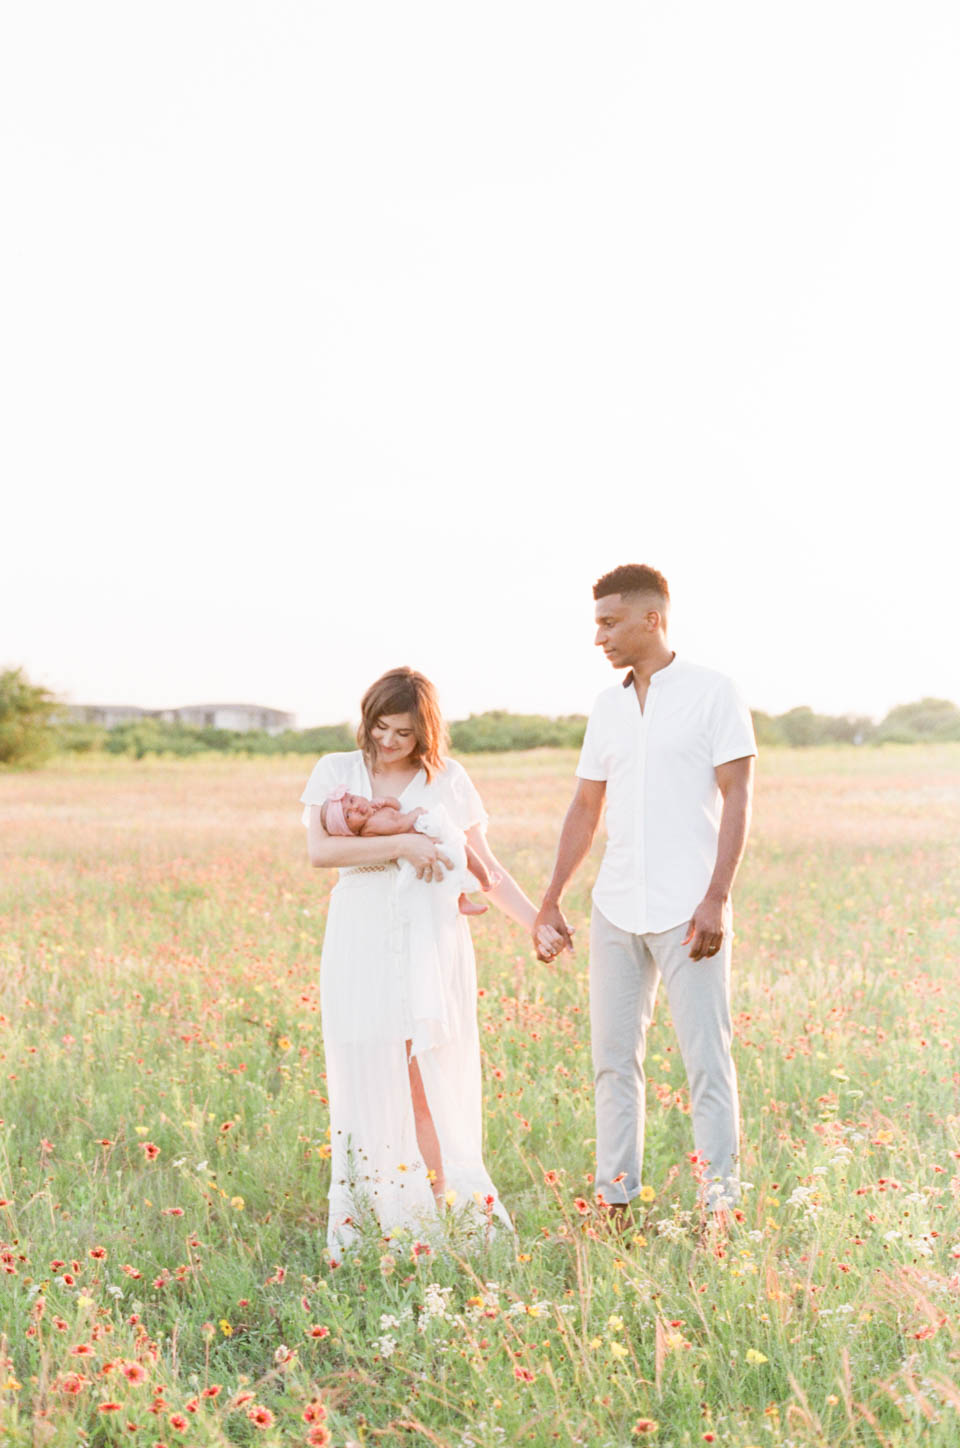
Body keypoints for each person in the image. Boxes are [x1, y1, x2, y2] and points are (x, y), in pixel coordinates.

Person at [302, 667, 562, 1254]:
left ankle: (439, 1212)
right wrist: (405, 844)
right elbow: (320, 851)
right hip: (361, 933)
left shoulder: (447, 778)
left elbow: (485, 869)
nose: (388, 741)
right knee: (368, 1067)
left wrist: (537, 922)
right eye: (380, 727)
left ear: (425, 733)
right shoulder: (336, 771)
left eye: (403, 732)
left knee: (429, 1072)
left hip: (430, 938)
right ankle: (375, 1216)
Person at [534, 564, 756, 1224]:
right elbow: (584, 804)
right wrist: (551, 899)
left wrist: (717, 897)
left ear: (651, 619)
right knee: (612, 1063)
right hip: (615, 907)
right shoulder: (605, 707)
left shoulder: (714, 692)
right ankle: (615, 1203)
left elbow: (738, 794)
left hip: (690, 910)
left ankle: (720, 1211)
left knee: (707, 1064)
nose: (598, 637)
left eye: (608, 623)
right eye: (596, 624)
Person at [318, 786, 496, 915]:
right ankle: (485, 883)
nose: (355, 807)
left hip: (424, 835)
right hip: (422, 840)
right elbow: (398, 825)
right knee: (461, 854)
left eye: (351, 800)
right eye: (349, 815)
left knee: (459, 857)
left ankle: (466, 896)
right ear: (350, 831)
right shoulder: (371, 825)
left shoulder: (372, 811)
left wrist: (386, 801)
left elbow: (396, 806)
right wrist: (416, 812)